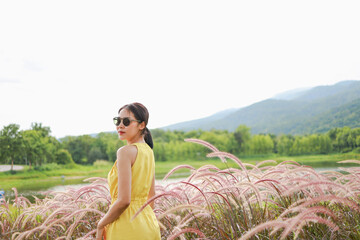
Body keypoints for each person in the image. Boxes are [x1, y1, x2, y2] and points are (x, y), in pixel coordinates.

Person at [96, 102, 161, 240]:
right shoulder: (149, 151)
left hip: (126, 226)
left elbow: (124, 200)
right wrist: (146, 222)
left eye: (126, 121)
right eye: (117, 121)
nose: (120, 125)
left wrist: (101, 224)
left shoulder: (125, 152)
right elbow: (152, 195)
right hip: (149, 224)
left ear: (141, 125)